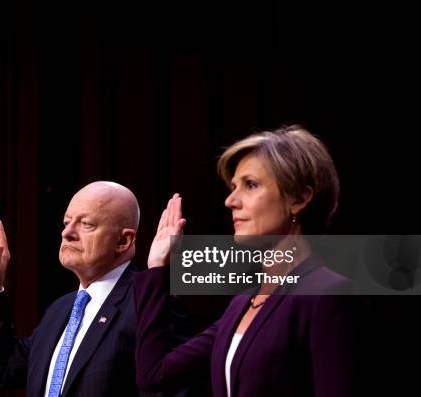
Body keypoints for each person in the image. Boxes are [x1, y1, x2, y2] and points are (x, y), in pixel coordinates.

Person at [134, 125, 367, 396]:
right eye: (233, 187)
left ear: (299, 198)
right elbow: (153, 376)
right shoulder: (242, 303)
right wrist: (158, 269)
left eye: (251, 185)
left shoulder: (329, 294)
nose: (230, 201)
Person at [0, 181, 191, 397]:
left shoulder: (152, 304)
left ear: (123, 241)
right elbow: (6, 369)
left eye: (86, 224)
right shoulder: (60, 309)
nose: (67, 233)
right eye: (66, 222)